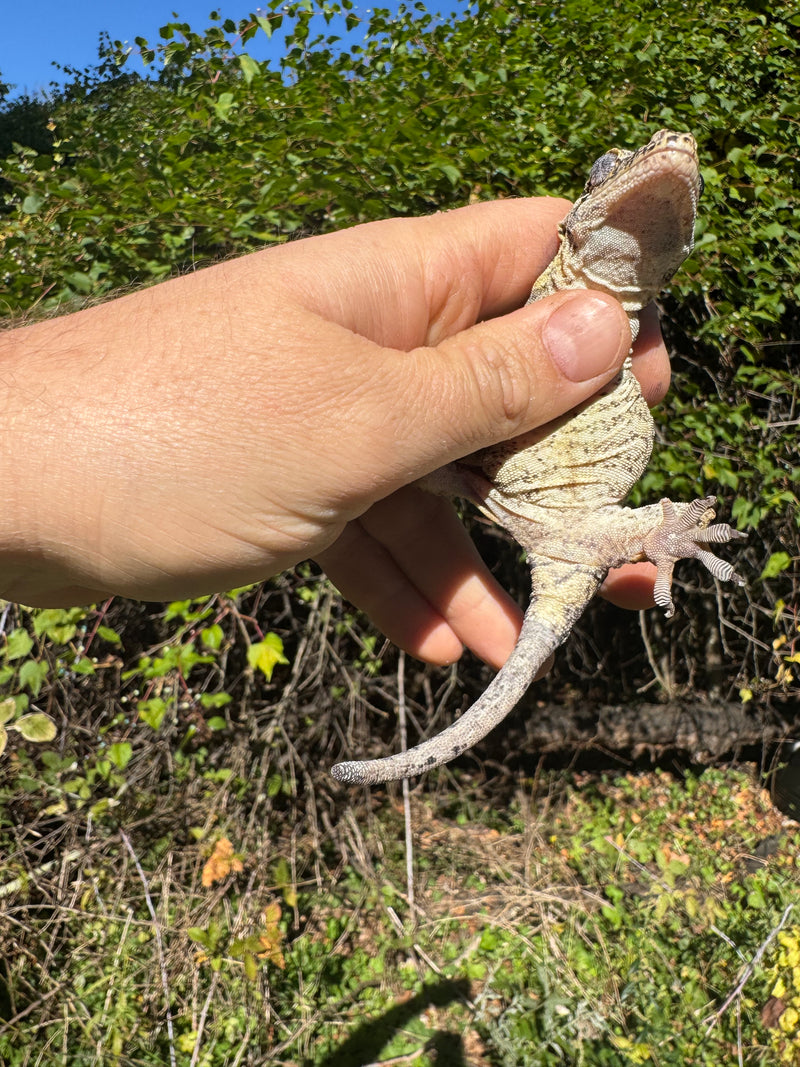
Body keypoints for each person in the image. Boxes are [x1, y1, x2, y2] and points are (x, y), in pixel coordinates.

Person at [0, 198, 668, 669]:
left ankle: (617, 535)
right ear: (574, 223)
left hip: (544, 497)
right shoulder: (553, 278)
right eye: (609, 170)